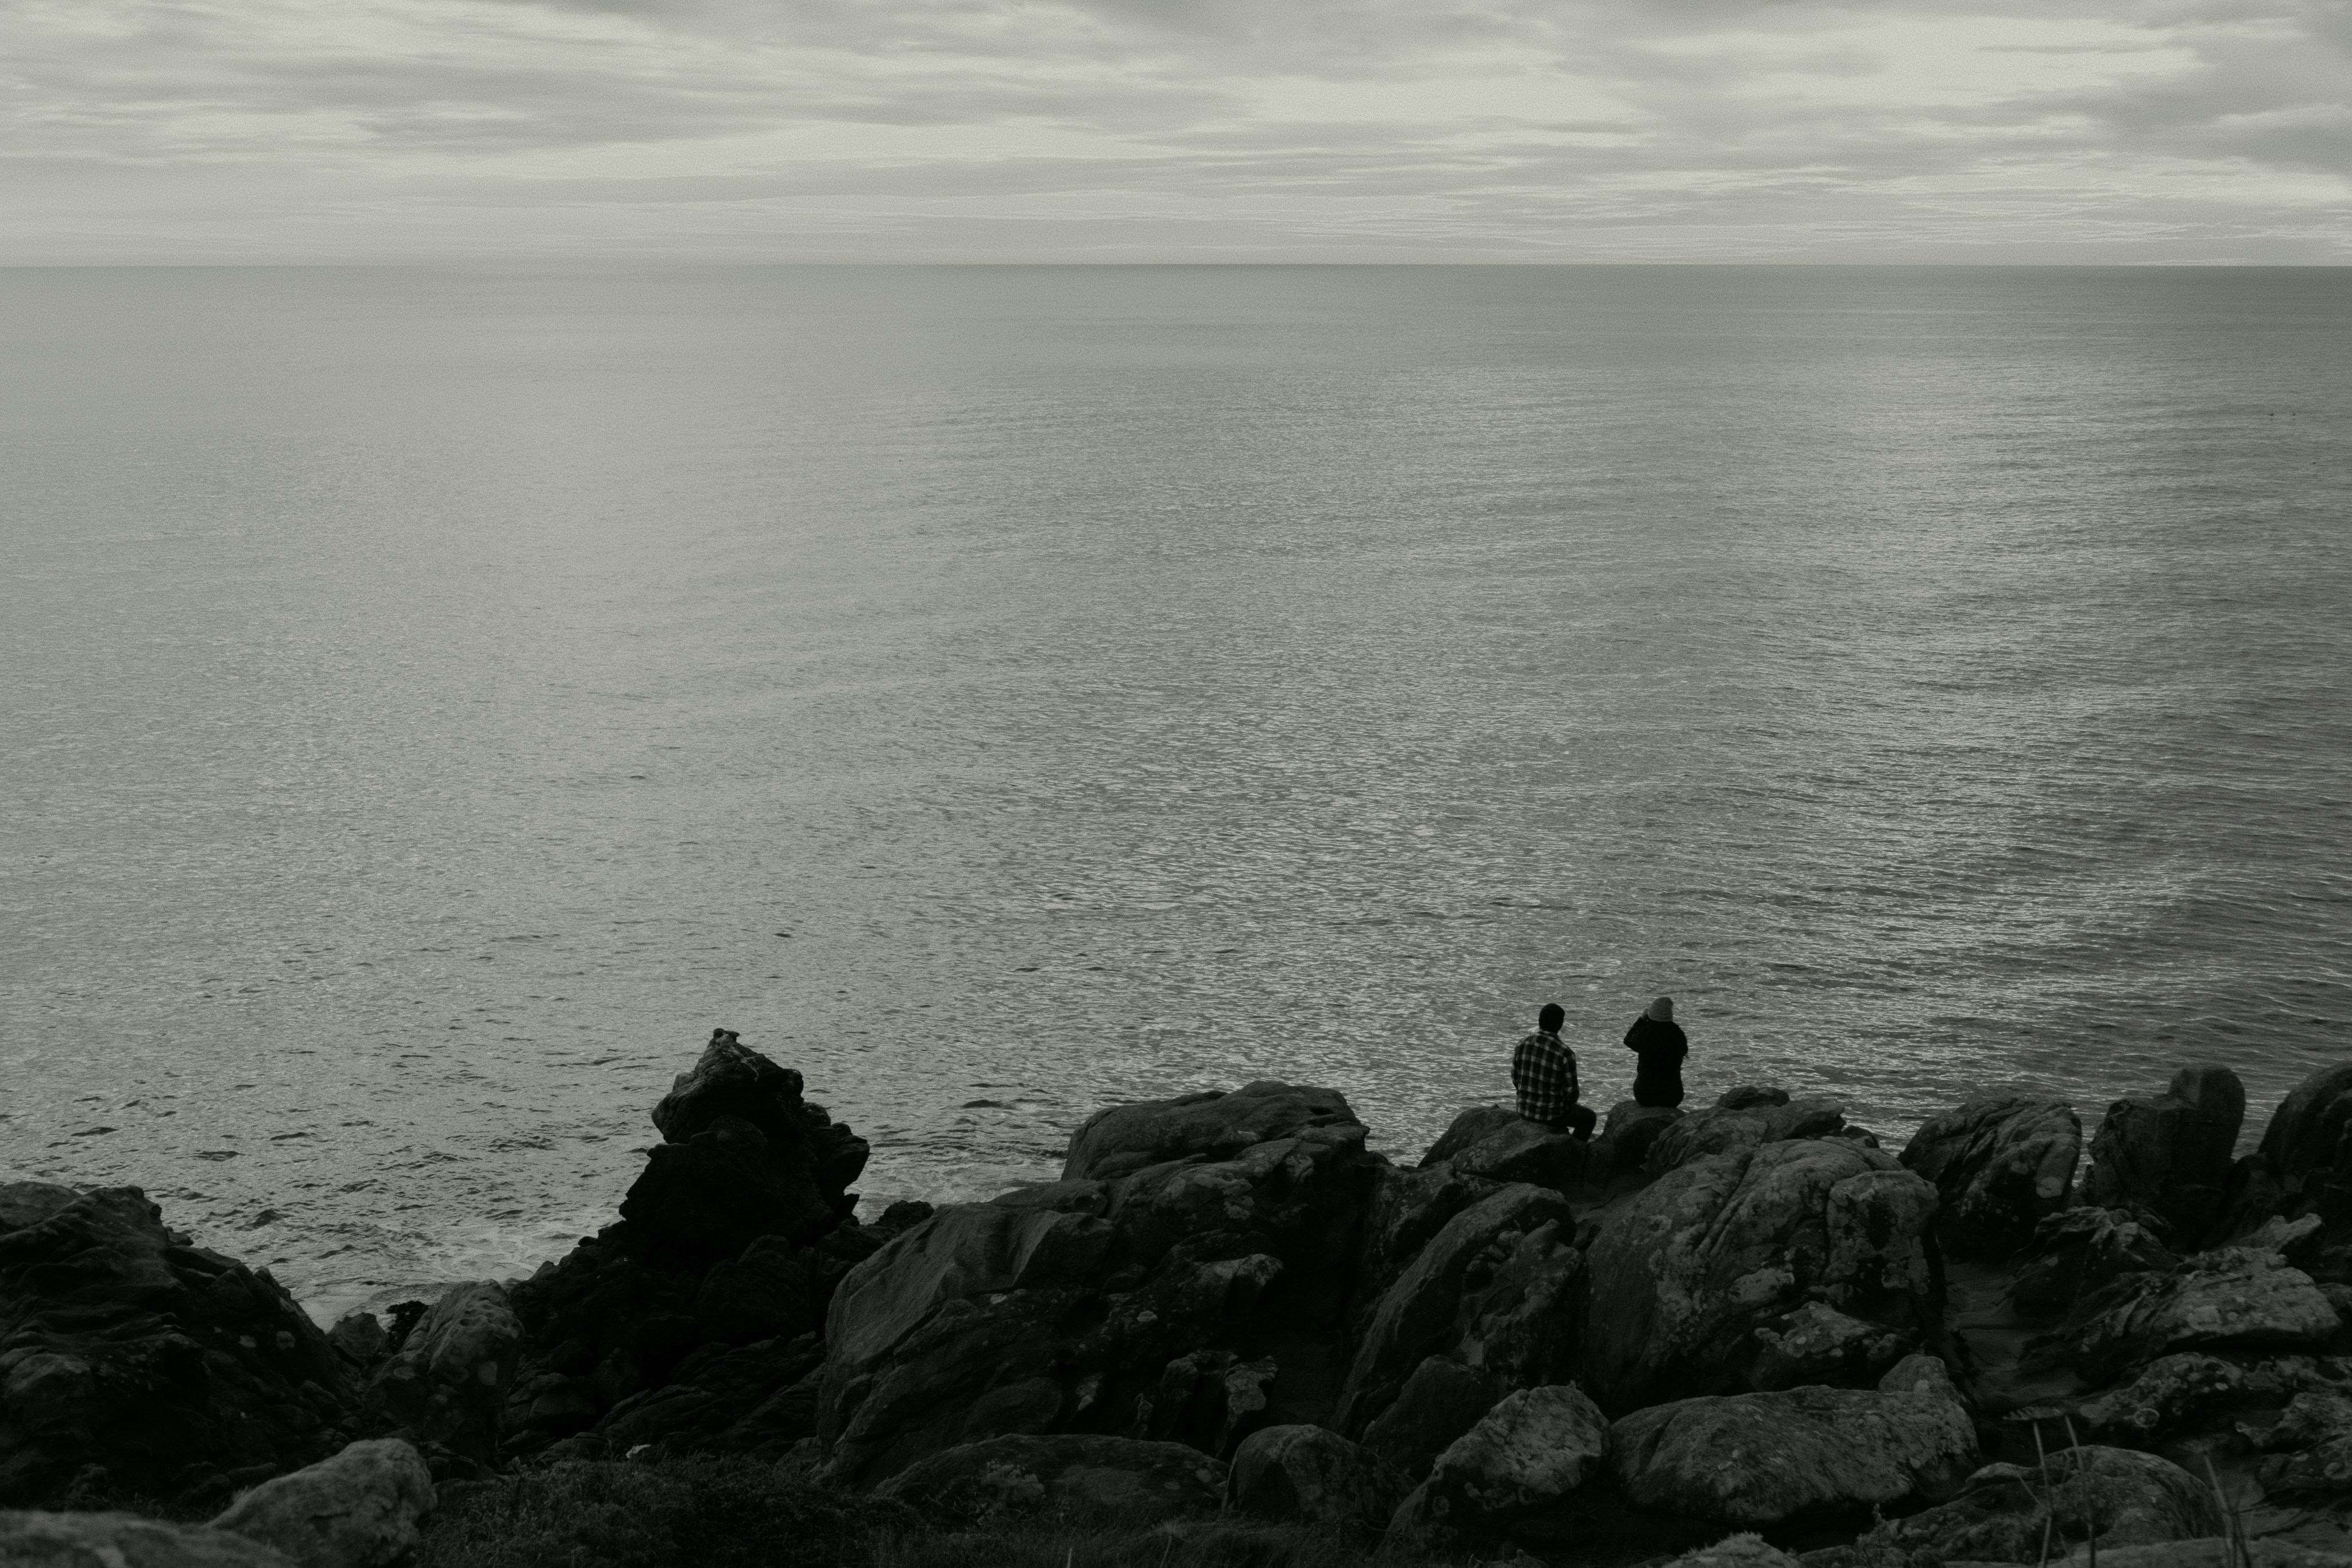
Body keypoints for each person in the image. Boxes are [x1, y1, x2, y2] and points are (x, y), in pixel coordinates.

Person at [1511, 1002, 1596, 1140]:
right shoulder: (1565, 1053)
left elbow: (1515, 1079)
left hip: (1524, 1109)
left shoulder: (1522, 1044)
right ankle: (1575, 1150)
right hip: (1551, 1114)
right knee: (1589, 1118)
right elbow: (1572, 1093)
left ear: (1540, 1021)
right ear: (1560, 1025)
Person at [1624, 996, 1688, 1109]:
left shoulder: (1645, 1035)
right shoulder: (1678, 1035)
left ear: (1650, 1015)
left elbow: (1628, 1040)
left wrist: (1641, 1020)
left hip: (1646, 1095)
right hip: (1673, 1097)